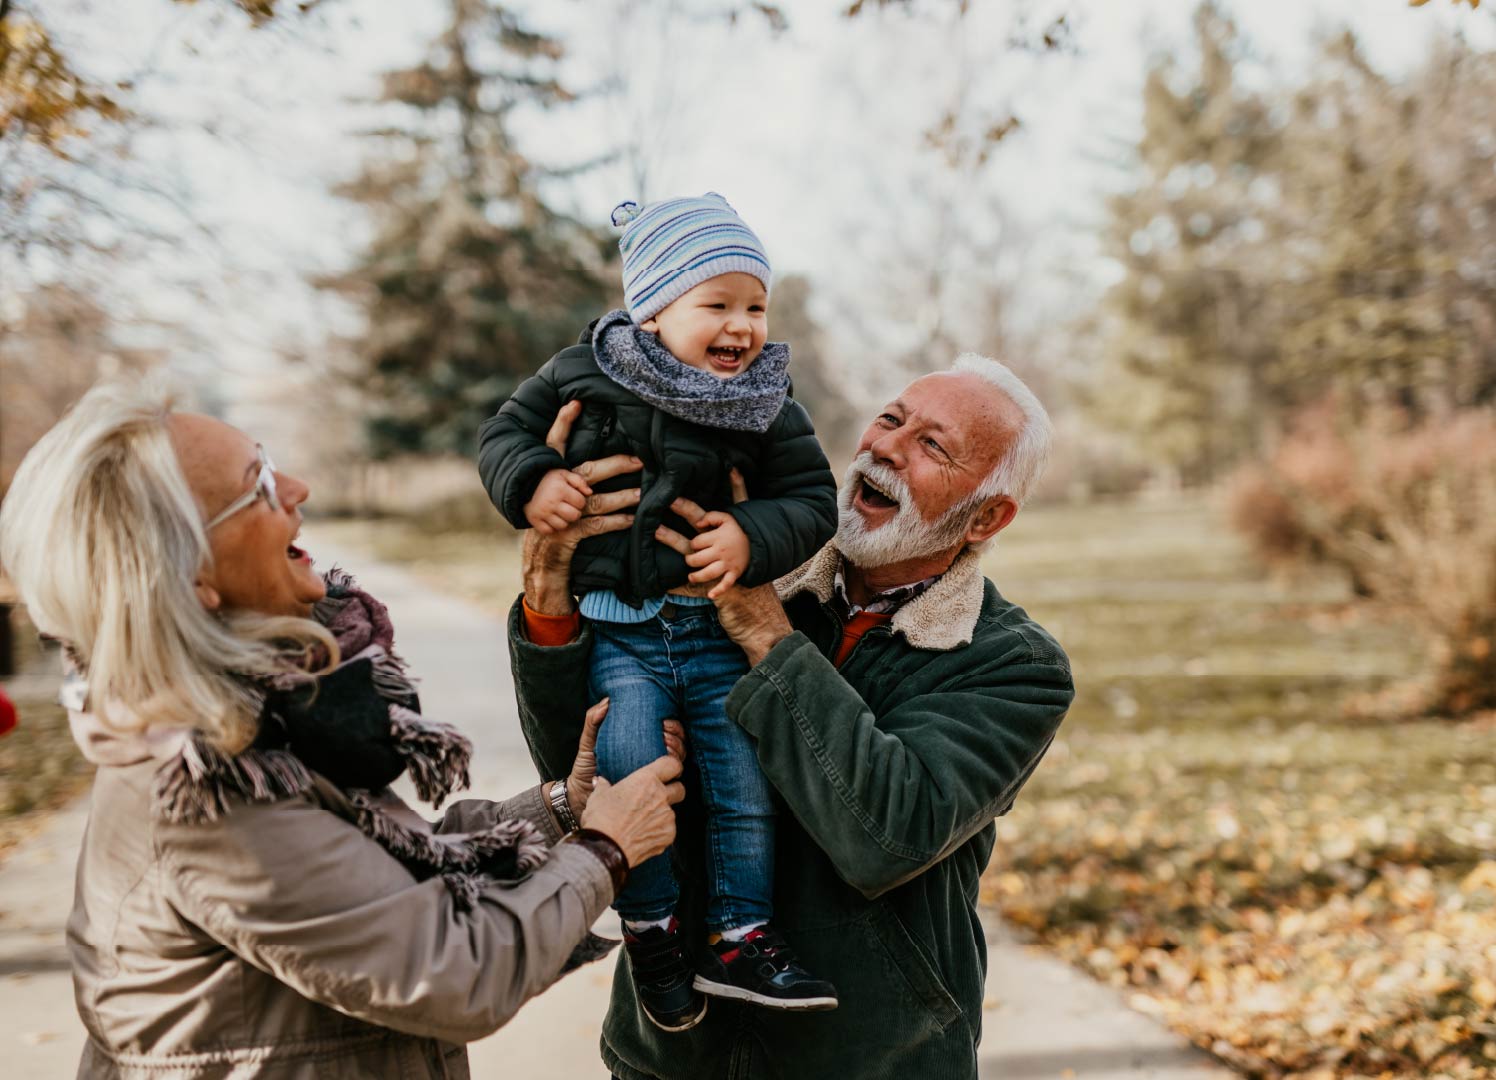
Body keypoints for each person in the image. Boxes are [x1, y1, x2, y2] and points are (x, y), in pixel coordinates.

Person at [0, 375, 688, 1080]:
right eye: (259, 484)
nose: (297, 488)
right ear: (189, 576)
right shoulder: (209, 787)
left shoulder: (251, 720)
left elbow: (372, 893)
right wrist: (605, 848)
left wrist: (556, 811)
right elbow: (449, 968)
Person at [507, 353, 1076, 1079]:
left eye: (933, 445)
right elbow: (589, 778)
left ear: (987, 516)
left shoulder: (1010, 662)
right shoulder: (727, 565)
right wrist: (549, 598)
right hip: (675, 1055)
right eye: (891, 419)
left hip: (872, 1062)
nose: (887, 448)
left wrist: (766, 633)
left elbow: (887, 834)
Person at [477, 193, 840, 1030]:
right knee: (634, 776)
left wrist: (751, 535)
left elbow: (810, 499)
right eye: (717, 304)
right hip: (621, 631)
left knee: (742, 780)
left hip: (715, 632)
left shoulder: (765, 401)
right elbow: (505, 433)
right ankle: (651, 932)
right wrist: (534, 480)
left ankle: (741, 933)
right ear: (652, 309)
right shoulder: (581, 372)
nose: (742, 327)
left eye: (756, 306)